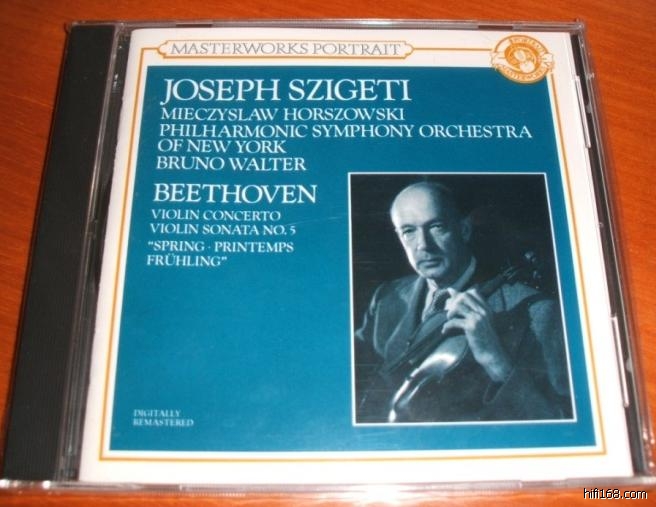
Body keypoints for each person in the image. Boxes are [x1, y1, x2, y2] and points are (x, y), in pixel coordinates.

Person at [354, 181, 572, 423]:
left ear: (464, 230)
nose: (423, 245)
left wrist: (496, 360)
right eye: (409, 231)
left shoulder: (539, 312)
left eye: (436, 227)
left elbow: (559, 421)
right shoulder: (387, 297)